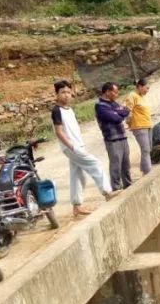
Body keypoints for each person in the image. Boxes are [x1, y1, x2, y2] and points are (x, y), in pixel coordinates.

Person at [51, 80, 114, 217]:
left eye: (68, 92)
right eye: (63, 93)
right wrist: (71, 146)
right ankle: (107, 192)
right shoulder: (57, 110)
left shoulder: (69, 109)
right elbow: (59, 131)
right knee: (95, 163)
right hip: (71, 147)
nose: (66, 95)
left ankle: (76, 206)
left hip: (77, 145)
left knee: (77, 176)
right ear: (56, 94)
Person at [95, 82, 132, 191]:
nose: (117, 94)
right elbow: (116, 119)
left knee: (126, 165)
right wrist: (119, 113)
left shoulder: (114, 103)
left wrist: (119, 112)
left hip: (122, 137)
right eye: (115, 92)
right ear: (107, 92)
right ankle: (116, 188)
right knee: (116, 165)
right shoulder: (100, 106)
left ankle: (128, 186)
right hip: (112, 139)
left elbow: (126, 111)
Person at [124, 78, 154, 175]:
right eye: (146, 88)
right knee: (145, 149)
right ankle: (147, 172)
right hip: (139, 127)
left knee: (148, 149)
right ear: (140, 87)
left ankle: (144, 169)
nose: (147, 91)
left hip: (147, 125)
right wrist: (129, 123)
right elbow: (128, 111)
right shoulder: (132, 96)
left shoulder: (141, 96)